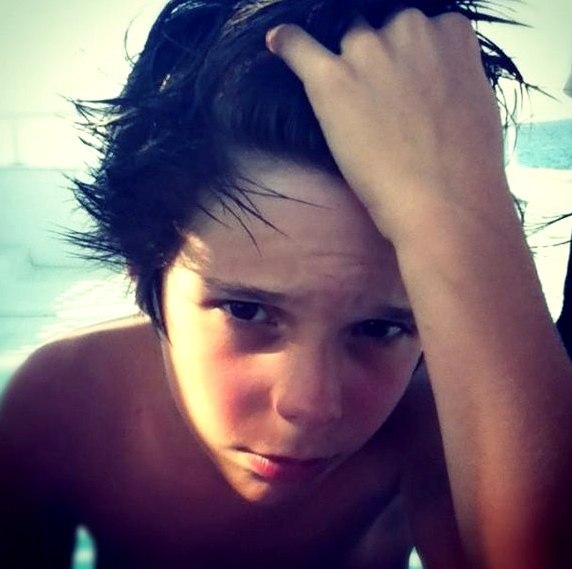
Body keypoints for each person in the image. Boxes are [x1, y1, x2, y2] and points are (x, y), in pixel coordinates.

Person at [1, 0, 571, 567]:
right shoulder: (64, 403)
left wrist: (461, 215)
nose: (311, 406)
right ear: (140, 265)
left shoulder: (436, 427)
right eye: (246, 311)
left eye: (379, 327)